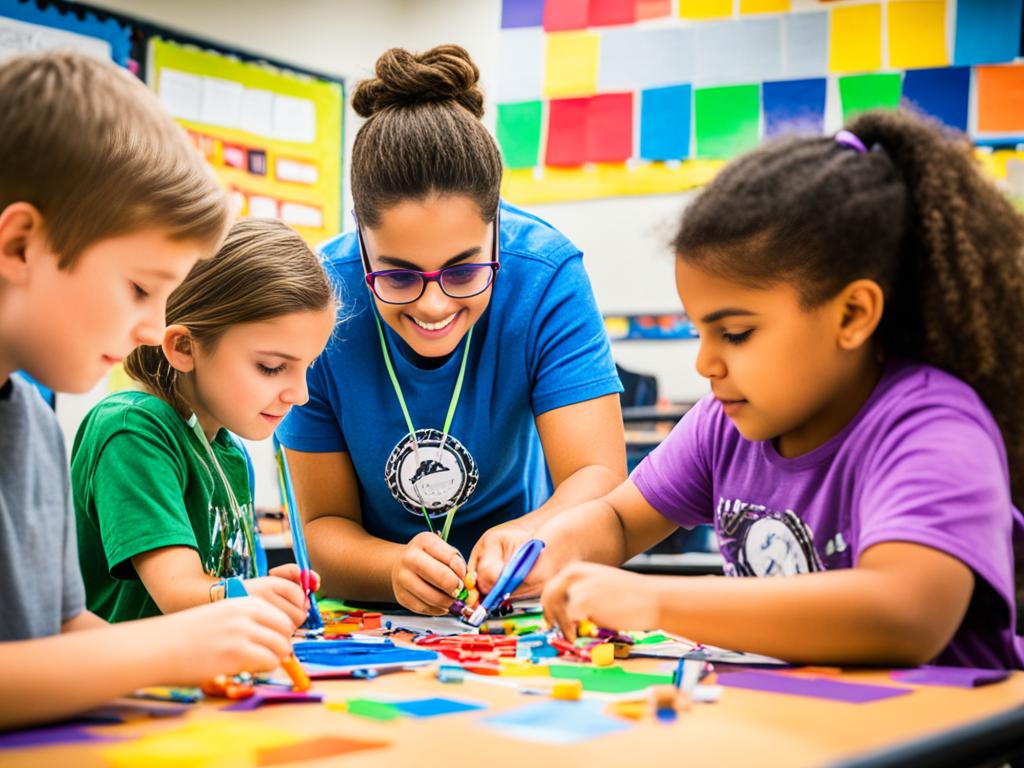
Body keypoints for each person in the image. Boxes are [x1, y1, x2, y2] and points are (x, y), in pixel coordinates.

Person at [536, 110, 1024, 669]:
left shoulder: (933, 427)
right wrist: (551, 550)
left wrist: (654, 599)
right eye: (701, 332)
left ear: (852, 314)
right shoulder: (725, 423)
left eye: (736, 333)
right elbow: (619, 521)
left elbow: (903, 613)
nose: (705, 363)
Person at [276, 45, 626, 616]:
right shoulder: (320, 299)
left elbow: (599, 478)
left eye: (464, 269)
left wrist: (529, 536)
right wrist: (391, 569)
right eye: (396, 274)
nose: (434, 305)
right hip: (376, 615)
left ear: (496, 229)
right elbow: (319, 529)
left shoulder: (547, 275)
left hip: (515, 602)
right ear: (361, 240)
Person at [0, 51, 294, 730]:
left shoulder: (35, 425)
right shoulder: (122, 425)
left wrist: (200, 663)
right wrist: (167, 645)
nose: (152, 328)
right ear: (19, 246)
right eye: (139, 288)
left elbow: (65, 631)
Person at [72, 219, 335, 626]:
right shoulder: (133, 430)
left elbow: (213, 588)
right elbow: (178, 591)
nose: (299, 395)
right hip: (129, 682)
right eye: (271, 367)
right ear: (182, 347)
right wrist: (243, 595)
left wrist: (267, 588)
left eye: (308, 368)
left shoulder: (225, 447)